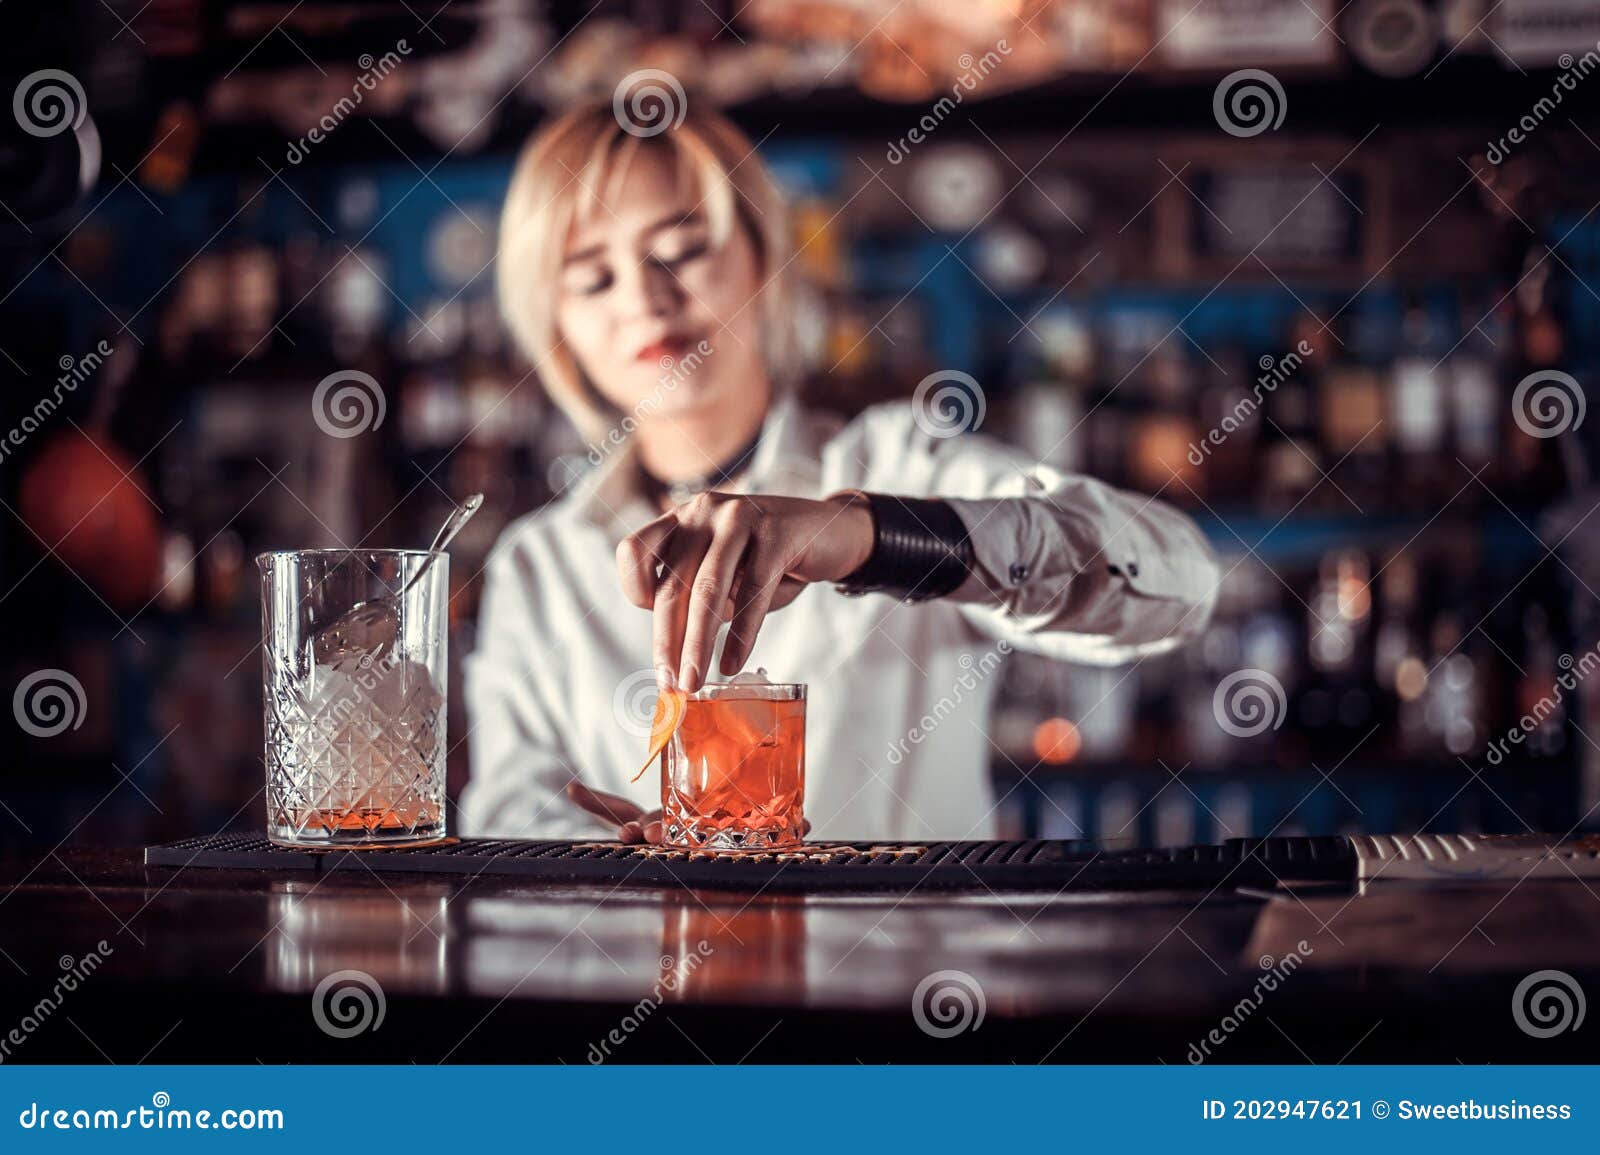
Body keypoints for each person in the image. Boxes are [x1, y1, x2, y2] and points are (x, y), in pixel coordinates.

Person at [461, 100, 1220, 844]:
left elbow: (1179, 582)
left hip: (913, 970)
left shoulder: (902, 461)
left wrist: (869, 536)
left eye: (683, 249)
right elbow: (507, 808)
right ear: (554, 324)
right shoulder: (539, 565)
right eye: (593, 279)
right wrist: (613, 863)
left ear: (761, 256)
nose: (646, 299)